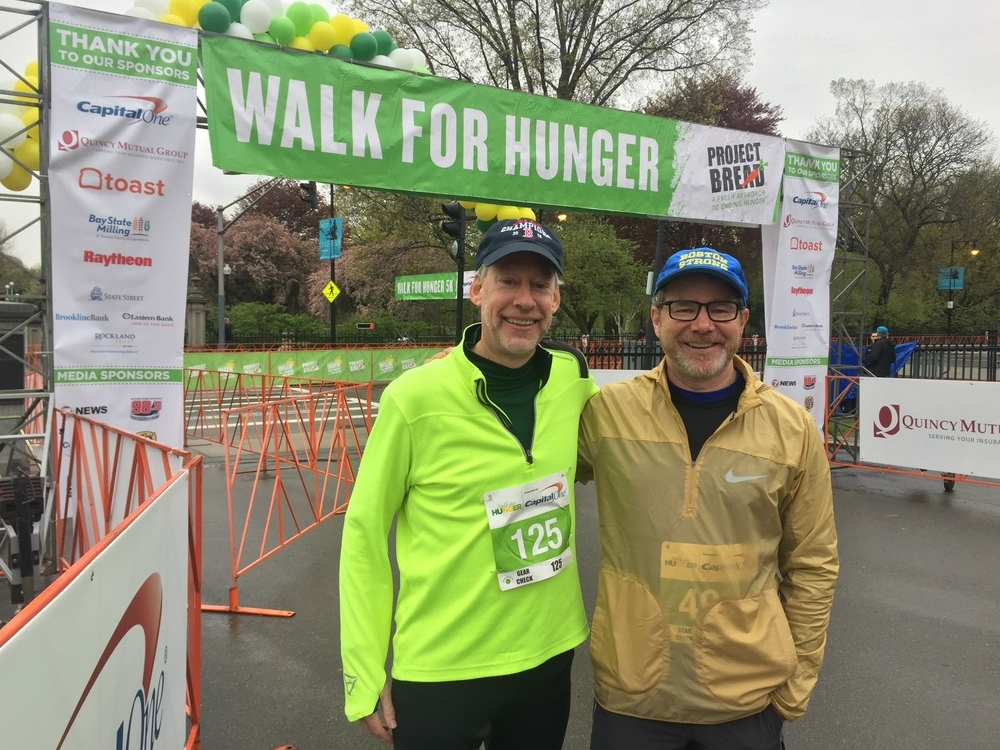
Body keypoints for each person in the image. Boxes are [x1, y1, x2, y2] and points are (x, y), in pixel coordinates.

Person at [339, 218, 598, 749]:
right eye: (508, 281)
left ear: (555, 299)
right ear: (477, 289)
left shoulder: (573, 377)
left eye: (540, 285)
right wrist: (363, 667)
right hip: (442, 669)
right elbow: (364, 533)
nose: (524, 300)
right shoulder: (415, 397)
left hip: (547, 657)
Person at [578, 247, 839, 750]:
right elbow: (524, 459)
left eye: (720, 308)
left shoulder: (791, 428)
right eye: (683, 307)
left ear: (742, 321)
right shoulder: (605, 413)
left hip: (746, 704)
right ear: (657, 318)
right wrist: (470, 365)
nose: (703, 325)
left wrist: (793, 690)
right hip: (631, 697)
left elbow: (813, 564)